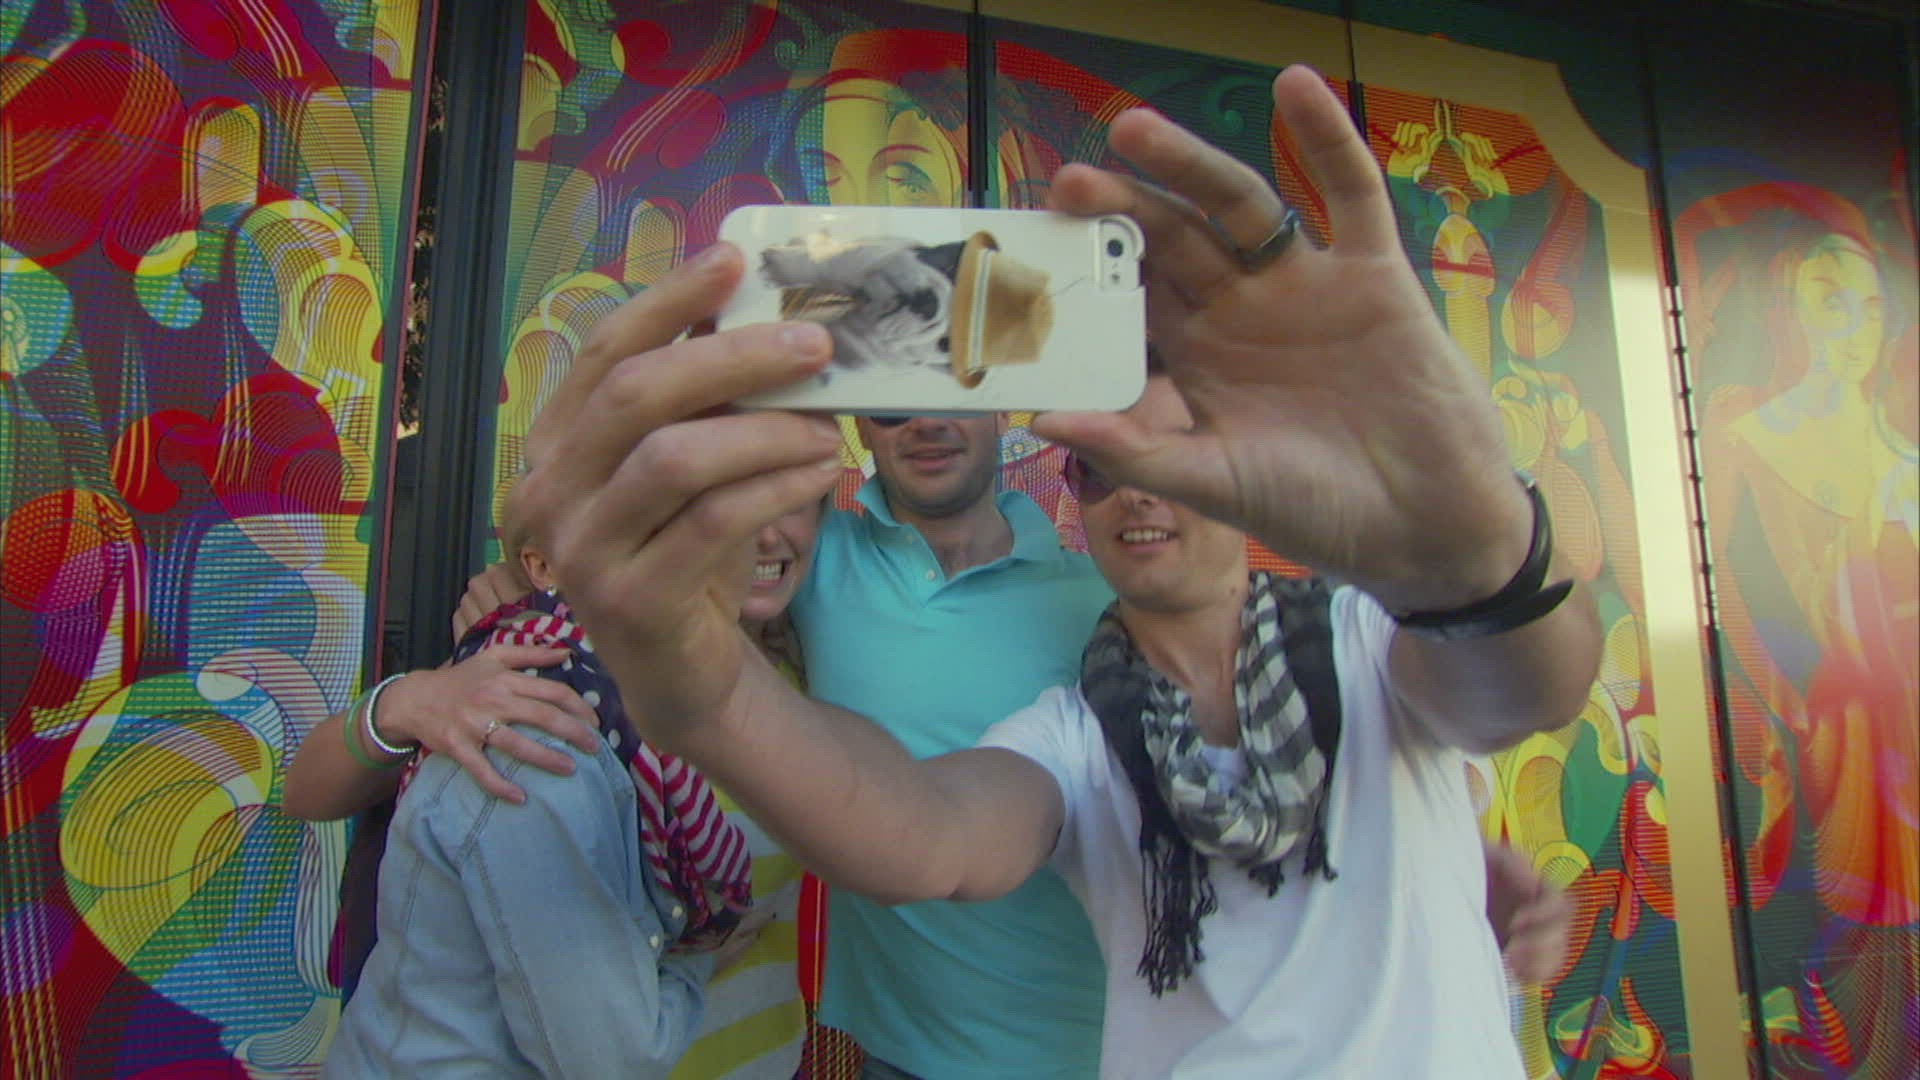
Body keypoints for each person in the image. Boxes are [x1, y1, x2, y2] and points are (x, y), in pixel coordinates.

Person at [509, 64, 1602, 1077]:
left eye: (1178, 465)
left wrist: (1478, 560)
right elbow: (930, 832)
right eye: (1107, 472)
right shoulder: (1075, 727)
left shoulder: (1366, 640)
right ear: (1073, 488)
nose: (1141, 495)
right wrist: (684, 682)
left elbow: (1520, 689)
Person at [318, 483, 762, 1077]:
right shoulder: (533, 728)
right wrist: (698, 960)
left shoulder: (632, 706)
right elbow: (611, 1059)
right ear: (543, 566)